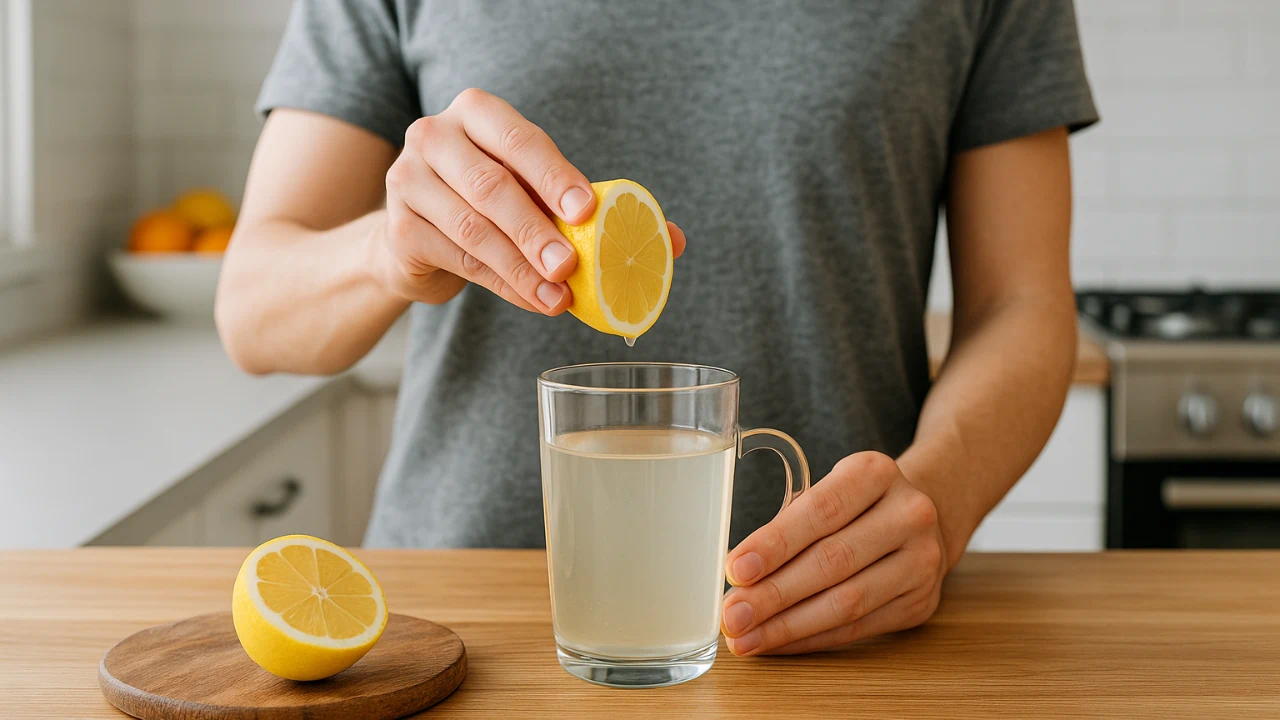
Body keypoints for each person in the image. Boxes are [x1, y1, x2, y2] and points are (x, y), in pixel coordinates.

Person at [216, 0, 1097, 657]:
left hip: (830, 634)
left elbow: (1018, 304)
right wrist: (387, 250)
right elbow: (253, 310)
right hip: (463, 633)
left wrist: (938, 499)